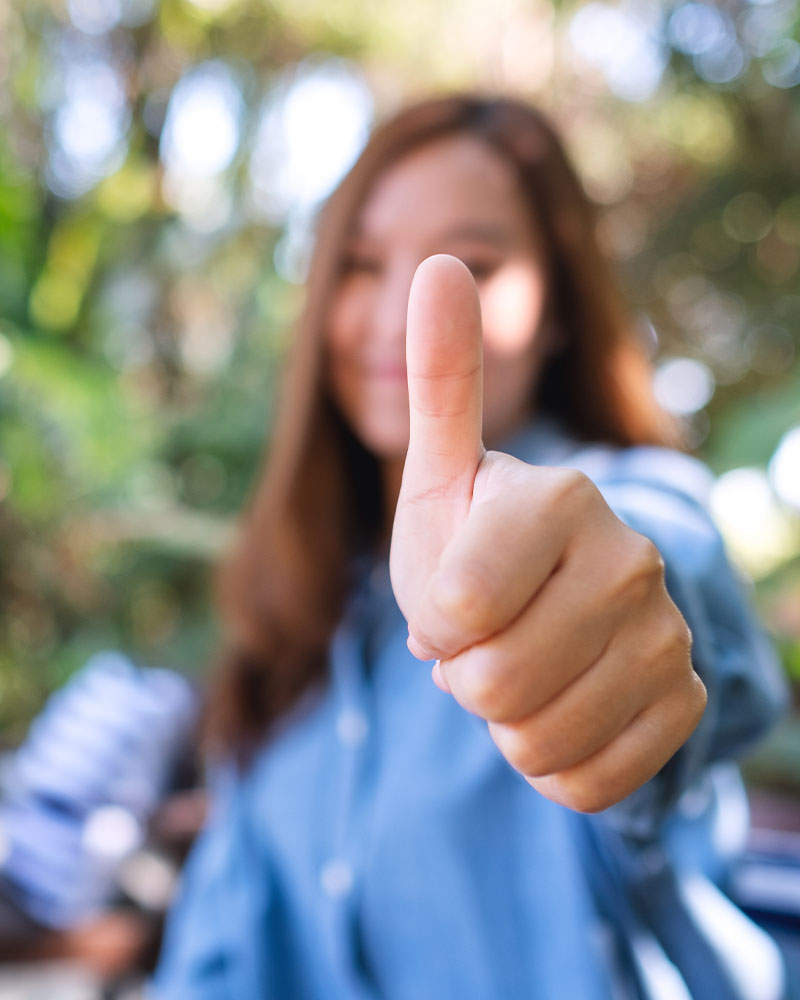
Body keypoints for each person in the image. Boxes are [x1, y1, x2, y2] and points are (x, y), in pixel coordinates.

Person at [151, 95, 789, 999]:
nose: (399, 315)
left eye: (473, 264)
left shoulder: (622, 503)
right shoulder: (296, 611)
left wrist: (623, 626)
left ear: (560, 309)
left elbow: (673, 579)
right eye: (362, 264)